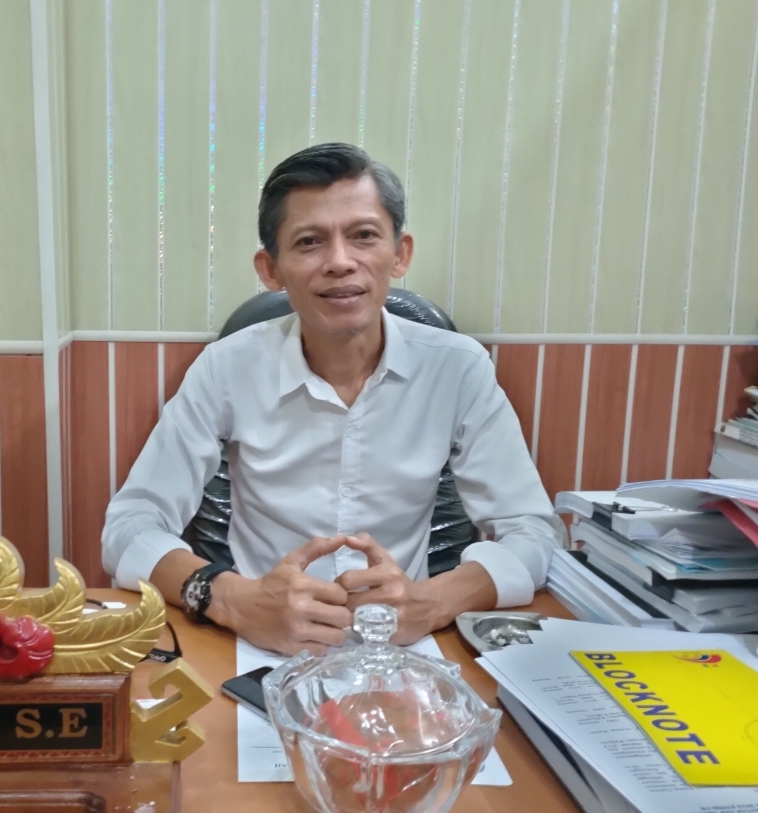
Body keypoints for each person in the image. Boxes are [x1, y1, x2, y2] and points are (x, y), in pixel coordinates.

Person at [102, 142, 566, 656]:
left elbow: (534, 532)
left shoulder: (457, 368)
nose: (341, 262)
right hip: (259, 645)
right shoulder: (227, 367)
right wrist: (232, 600)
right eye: (309, 242)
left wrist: (431, 602)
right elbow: (131, 525)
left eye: (364, 236)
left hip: (404, 645)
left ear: (400, 253)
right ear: (270, 269)